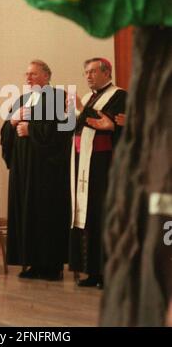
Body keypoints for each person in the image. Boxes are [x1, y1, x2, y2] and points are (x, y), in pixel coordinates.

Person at [1, 60, 72, 281]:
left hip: (46, 170)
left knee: (46, 213)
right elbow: (5, 133)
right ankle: (31, 261)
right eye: (26, 74)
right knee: (26, 212)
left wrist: (32, 129)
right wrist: (12, 123)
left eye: (33, 74)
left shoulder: (58, 98)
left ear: (46, 76)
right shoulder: (22, 100)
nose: (28, 78)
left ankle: (52, 265)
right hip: (23, 168)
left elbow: (63, 131)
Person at [69, 58, 127, 288]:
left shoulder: (119, 95)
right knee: (89, 217)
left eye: (93, 71)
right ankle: (92, 271)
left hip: (104, 166)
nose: (88, 76)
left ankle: (109, 273)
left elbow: (113, 125)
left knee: (104, 216)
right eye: (86, 72)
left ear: (107, 72)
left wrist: (108, 123)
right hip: (85, 165)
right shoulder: (87, 97)